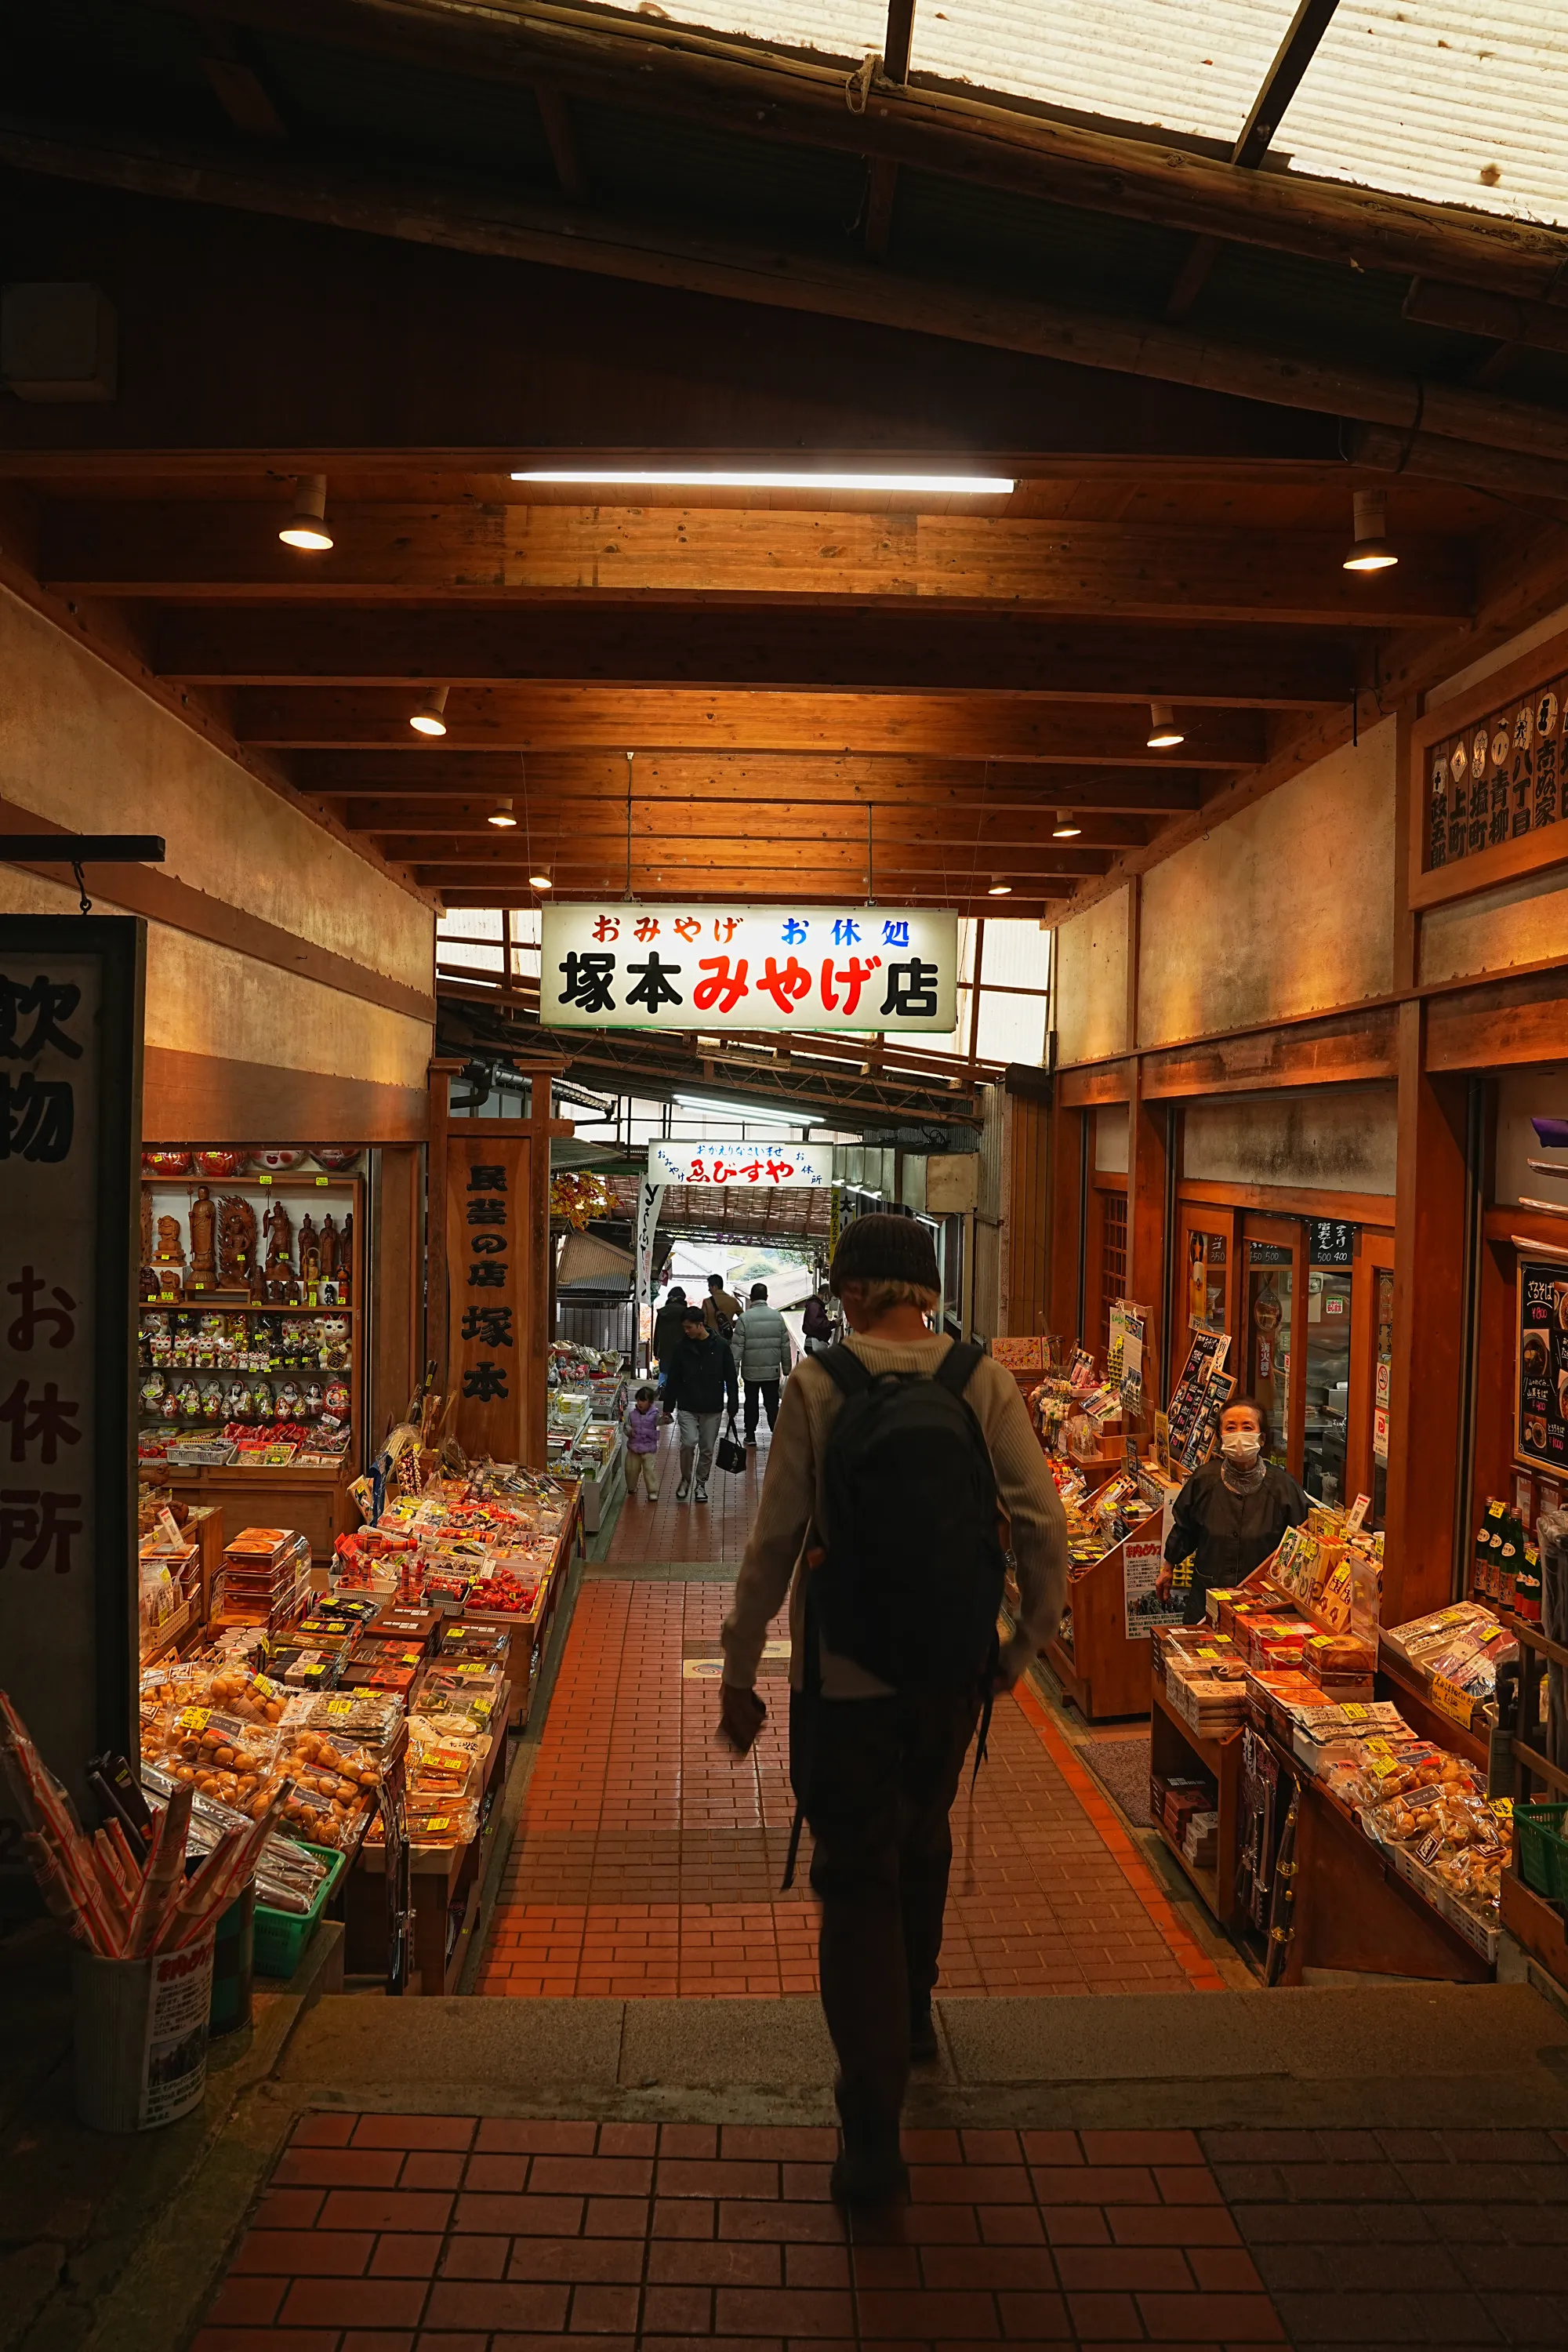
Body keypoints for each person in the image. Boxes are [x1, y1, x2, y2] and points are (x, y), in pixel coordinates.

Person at [717, 1214, 1066, 2205]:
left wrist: (740, 1668)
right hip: (950, 1677)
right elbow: (1041, 1524)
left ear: (856, 1291)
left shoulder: (819, 1384)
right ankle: (912, 2012)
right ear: (925, 1292)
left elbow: (773, 1543)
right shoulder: (980, 1379)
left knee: (855, 1879)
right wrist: (1021, 1648)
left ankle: (870, 2133)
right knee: (922, 1829)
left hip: (843, 1682)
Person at [1157, 1394, 1310, 1624]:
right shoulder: (1204, 1480)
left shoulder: (1284, 1487)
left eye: (1247, 1427)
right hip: (1207, 1596)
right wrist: (1168, 1567)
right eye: (1230, 1428)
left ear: (1262, 1438)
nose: (1239, 1434)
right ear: (1220, 1437)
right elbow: (1185, 1529)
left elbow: (1304, 1537)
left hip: (1262, 1603)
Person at [664, 1304, 740, 1503]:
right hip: (687, 1405)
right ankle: (686, 1478)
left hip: (712, 1407)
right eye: (684, 1327)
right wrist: (667, 1407)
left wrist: (733, 1403)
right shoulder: (681, 1348)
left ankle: (701, 1484)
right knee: (688, 1443)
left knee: (707, 1449)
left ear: (700, 1325)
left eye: (689, 1327)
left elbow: (731, 1377)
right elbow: (673, 1378)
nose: (686, 1331)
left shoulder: (721, 1346)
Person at [732, 1281, 793, 1446]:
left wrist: (734, 1372)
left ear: (751, 1297)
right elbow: (785, 1345)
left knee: (751, 1403)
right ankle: (776, 1435)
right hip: (772, 1372)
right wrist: (787, 1369)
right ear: (766, 1297)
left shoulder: (744, 1318)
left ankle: (750, 1436)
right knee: (772, 1404)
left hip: (750, 1373)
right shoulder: (777, 1317)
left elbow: (737, 1347)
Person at [651, 1283, 688, 1417]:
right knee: (682, 1373)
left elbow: (657, 1333)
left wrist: (656, 1350)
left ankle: (663, 1389)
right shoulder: (686, 1313)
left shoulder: (663, 1312)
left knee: (665, 1371)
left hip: (665, 1347)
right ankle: (680, 1394)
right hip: (683, 1348)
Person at [624, 1385, 662, 1503]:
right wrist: (629, 1430)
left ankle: (652, 1491)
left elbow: (661, 1421)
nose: (640, 1403)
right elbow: (626, 1426)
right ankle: (631, 1487)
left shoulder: (654, 1414)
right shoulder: (632, 1414)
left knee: (649, 1470)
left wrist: (667, 1418)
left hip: (648, 1448)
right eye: (638, 1400)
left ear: (650, 1402)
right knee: (631, 1469)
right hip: (633, 1448)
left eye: (643, 1400)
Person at [704, 1271, 742, 1343]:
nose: (709, 1290)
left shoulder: (707, 1302)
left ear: (714, 1287)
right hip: (727, 1337)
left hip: (712, 1339)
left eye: (709, 1287)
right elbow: (743, 1317)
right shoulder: (733, 1301)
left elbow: (703, 1321)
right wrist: (731, 1324)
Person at [801, 1284, 835, 1356]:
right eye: (830, 1297)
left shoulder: (815, 1305)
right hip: (815, 1343)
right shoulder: (815, 1306)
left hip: (814, 1343)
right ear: (825, 1295)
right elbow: (818, 1324)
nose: (830, 1300)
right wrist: (834, 1323)